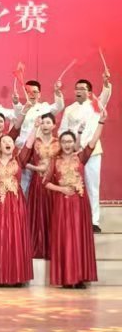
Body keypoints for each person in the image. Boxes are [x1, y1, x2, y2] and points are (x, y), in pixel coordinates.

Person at [46, 109, 107, 288]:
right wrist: (62, 189)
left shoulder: (80, 157)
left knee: (80, 239)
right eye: (64, 141)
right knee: (65, 239)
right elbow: (46, 183)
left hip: (80, 205)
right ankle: (67, 278)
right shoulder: (54, 161)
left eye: (69, 141)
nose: (66, 144)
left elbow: (93, 142)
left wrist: (101, 122)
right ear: (60, 144)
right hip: (62, 205)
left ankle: (80, 278)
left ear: (74, 143)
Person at [0, 119, 38, 286]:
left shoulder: (19, 160)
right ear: (0, 146)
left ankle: (17, 277)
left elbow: (28, 145)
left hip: (16, 204)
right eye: (4, 141)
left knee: (16, 238)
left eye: (10, 141)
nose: (7, 143)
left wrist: (35, 127)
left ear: (13, 145)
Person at [58, 73, 112, 232]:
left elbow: (105, 94)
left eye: (82, 89)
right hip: (73, 153)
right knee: (72, 185)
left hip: (92, 151)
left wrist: (106, 82)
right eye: (77, 88)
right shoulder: (69, 109)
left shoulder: (95, 105)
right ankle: (73, 218)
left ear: (89, 92)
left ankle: (94, 221)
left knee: (92, 185)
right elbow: (62, 130)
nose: (78, 91)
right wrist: (67, 146)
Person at [25, 112, 59, 259]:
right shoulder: (34, 142)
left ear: (54, 125)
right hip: (38, 182)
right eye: (43, 122)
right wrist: (37, 168)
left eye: (48, 122)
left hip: (54, 183)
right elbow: (22, 161)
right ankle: (37, 247)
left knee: (53, 213)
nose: (45, 125)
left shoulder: (59, 143)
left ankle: (53, 248)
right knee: (37, 214)